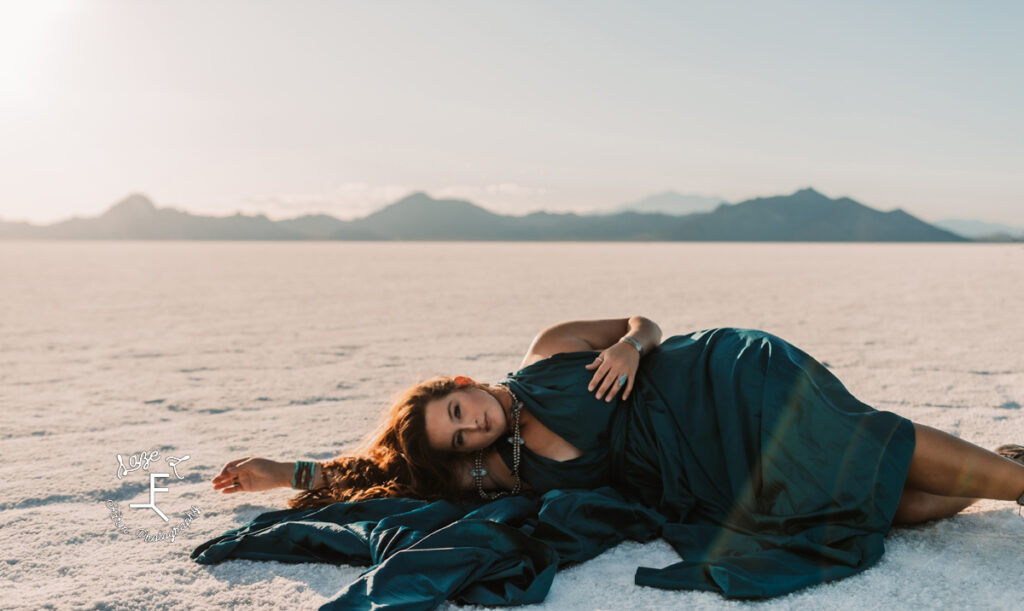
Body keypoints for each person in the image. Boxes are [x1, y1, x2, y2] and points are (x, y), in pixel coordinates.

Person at [209, 316, 1024, 597]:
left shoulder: (546, 353)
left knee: (860, 446)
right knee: (863, 503)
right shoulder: (501, 467)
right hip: (701, 473)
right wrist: (293, 474)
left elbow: (642, 320)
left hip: (719, 381)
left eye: (459, 408)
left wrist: (633, 346)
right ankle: (994, 466)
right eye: (462, 436)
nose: (472, 423)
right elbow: (383, 478)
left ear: (459, 381)